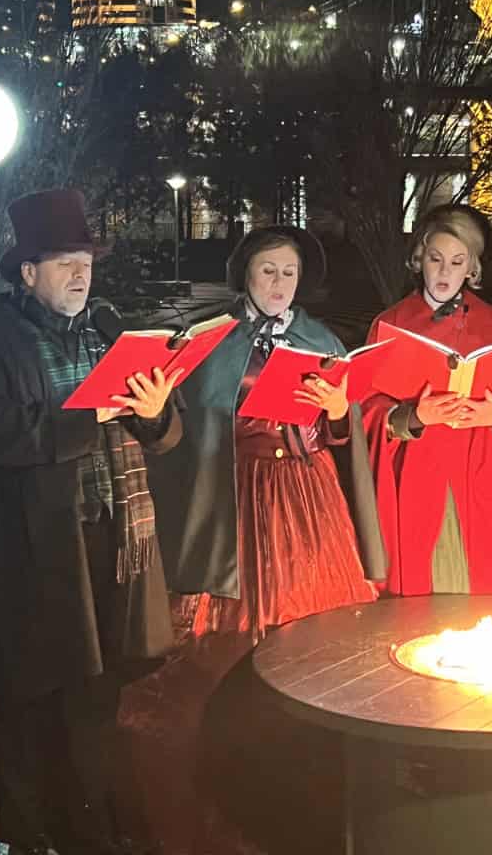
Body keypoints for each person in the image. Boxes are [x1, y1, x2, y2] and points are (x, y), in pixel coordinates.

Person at [0, 188, 182, 855]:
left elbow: (165, 435)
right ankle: (44, 833)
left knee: (107, 696)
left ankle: (108, 828)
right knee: (39, 699)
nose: (81, 275)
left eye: (85, 260)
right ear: (27, 272)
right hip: (32, 551)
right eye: (64, 263)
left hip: (117, 539)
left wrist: (151, 410)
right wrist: (91, 417)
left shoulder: (109, 326)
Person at [138, 225, 386, 854]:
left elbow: (342, 433)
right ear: (245, 274)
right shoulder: (209, 341)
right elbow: (177, 428)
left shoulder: (321, 340)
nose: (278, 284)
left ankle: (308, 786)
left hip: (308, 499)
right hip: (237, 497)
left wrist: (334, 409)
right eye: (268, 271)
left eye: (289, 274)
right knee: (235, 650)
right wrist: (157, 413)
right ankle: (239, 790)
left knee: (314, 646)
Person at [361, 204, 492, 598]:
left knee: (488, 592)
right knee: (424, 596)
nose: (444, 272)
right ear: (419, 260)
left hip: (482, 473)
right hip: (417, 477)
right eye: (435, 259)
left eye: (456, 262)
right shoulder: (390, 323)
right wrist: (412, 416)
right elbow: (367, 410)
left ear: (471, 270)